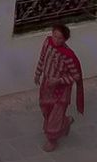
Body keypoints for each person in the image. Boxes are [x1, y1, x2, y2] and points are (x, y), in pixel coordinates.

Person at [35, 21, 85, 150]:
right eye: (54, 36)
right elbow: (42, 58)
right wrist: (38, 73)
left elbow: (76, 76)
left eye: (60, 38)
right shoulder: (47, 43)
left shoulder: (68, 56)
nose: (56, 40)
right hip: (47, 85)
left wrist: (59, 81)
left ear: (65, 40)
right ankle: (66, 122)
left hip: (60, 90)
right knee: (46, 110)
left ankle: (52, 140)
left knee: (54, 116)